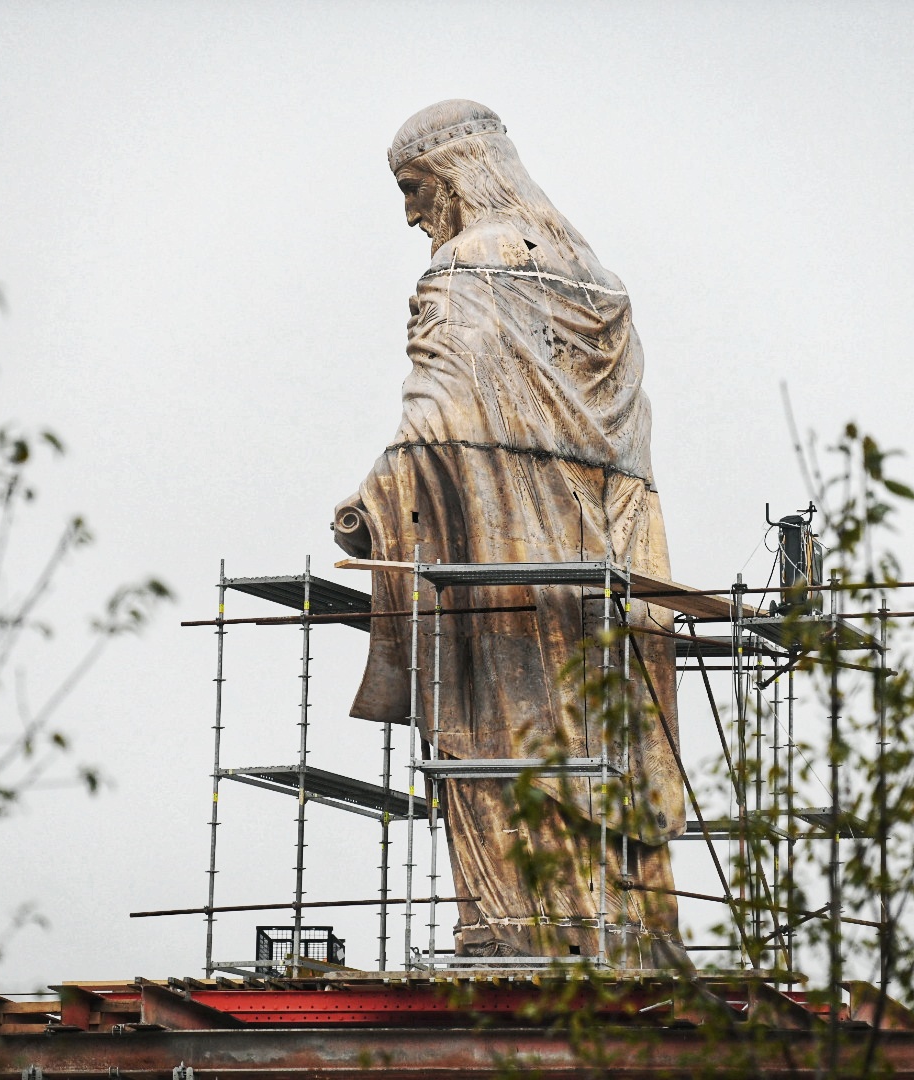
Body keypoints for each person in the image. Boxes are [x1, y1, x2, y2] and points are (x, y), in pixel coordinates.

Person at [335, 100, 686, 966]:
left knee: (497, 741)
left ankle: (520, 930)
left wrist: (371, 503)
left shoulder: (466, 267)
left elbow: (439, 419)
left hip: (501, 566)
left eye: (413, 188)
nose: (410, 214)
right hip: (603, 561)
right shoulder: (596, 279)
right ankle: (617, 924)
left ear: (455, 175)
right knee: (599, 743)